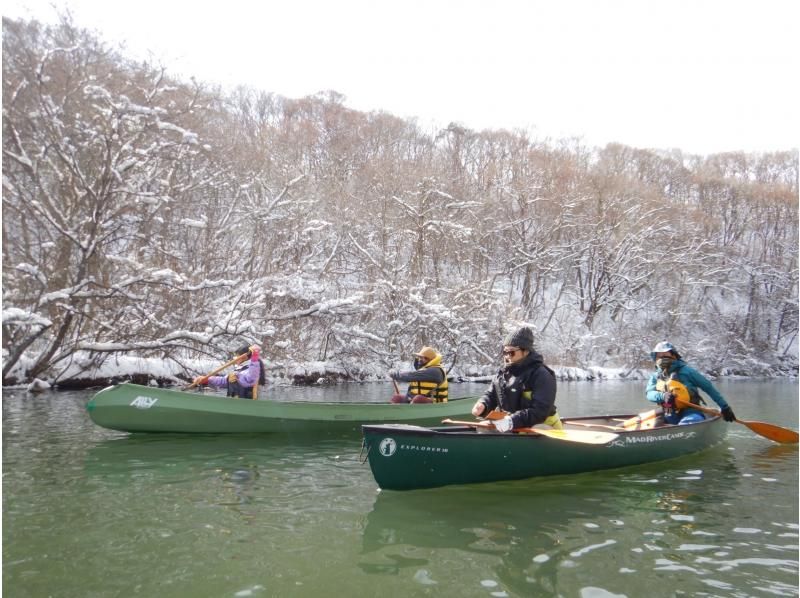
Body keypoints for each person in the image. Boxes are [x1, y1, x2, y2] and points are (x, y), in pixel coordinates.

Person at [471, 326, 562, 432]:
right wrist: (483, 405)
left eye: (511, 352)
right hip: (512, 423)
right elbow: (491, 395)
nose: (507, 356)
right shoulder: (502, 374)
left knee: (535, 430)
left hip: (542, 425)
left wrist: (511, 421)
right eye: (505, 352)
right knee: (483, 427)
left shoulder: (542, 374)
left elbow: (540, 411)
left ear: (526, 351)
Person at [645, 341, 736, 425]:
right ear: (655, 358)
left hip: (691, 411)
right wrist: (663, 396)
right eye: (659, 356)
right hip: (668, 412)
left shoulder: (687, 371)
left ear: (674, 356)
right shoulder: (655, 376)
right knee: (654, 423)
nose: (662, 359)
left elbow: (709, 388)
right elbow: (649, 394)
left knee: (688, 421)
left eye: (665, 355)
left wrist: (725, 407)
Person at [194, 344, 265, 399]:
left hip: (246, 402)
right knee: (231, 377)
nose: (235, 359)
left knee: (233, 377)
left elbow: (249, 378)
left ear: (245, 357)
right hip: (236, 401)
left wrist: (237, 376)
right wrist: (207, 379)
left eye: (237, 356)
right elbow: (224, 380)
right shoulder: (240, 369)